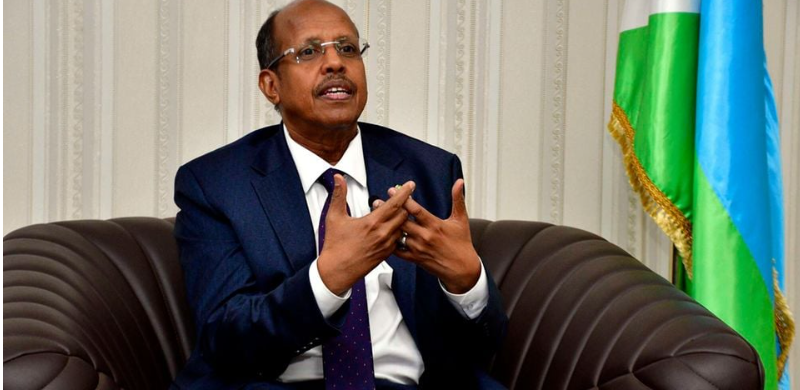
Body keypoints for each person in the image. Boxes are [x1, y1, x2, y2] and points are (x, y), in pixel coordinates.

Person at [172, 0, 507, 388]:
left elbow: (481, 344)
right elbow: (225, 338)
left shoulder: (429, 170)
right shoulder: (216, 183)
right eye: (309, 51)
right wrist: (328, 280)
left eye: (347, 48)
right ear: (271, 85)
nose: (335, 63)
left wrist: (467, 282)